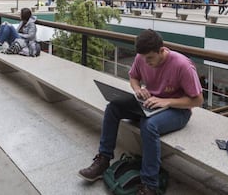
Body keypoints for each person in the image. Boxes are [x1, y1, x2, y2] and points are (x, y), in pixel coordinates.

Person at [78, 29, 204, 195]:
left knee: (149, 125)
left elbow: (198, 100)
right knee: (113, 108)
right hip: (149, 103)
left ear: (162, 50)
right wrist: (137, 89)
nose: (146, 62)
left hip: (178, 110)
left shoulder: (182, 65)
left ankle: (150, 185)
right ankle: (103, 160)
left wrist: (167, 101)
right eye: (143, 58)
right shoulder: (142, 57)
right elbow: (133, 77)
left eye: (150, 58)